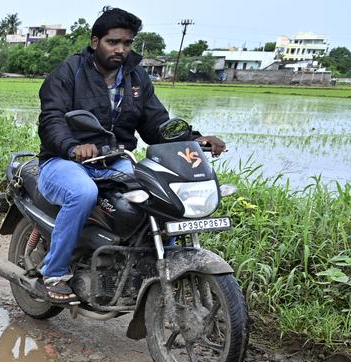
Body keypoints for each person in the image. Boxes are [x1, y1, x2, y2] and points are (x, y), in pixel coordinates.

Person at [36, 7, 225, 304]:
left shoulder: (136, 79)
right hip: (63, 161)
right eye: (113, 42)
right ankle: (55, 273)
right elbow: (52, 120)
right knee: (83, 193)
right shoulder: (69, 73)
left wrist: (195, 139)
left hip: (115, 161)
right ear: (95, 41)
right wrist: (73, 147)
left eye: (127, 43)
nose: (121, 49)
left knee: (159, 199)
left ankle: (153, 267)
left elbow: (156, 123)